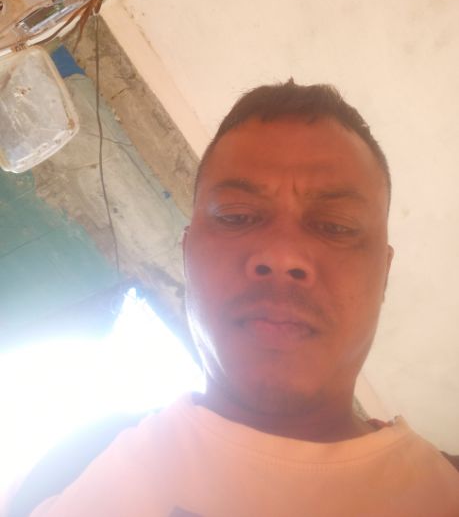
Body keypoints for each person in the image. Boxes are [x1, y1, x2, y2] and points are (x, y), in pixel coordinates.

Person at [28, 81, 459, 516]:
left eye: (336, 225)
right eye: (236, 216)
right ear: (187, 253)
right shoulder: (77, 465)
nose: (282, 255)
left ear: (384, 273)